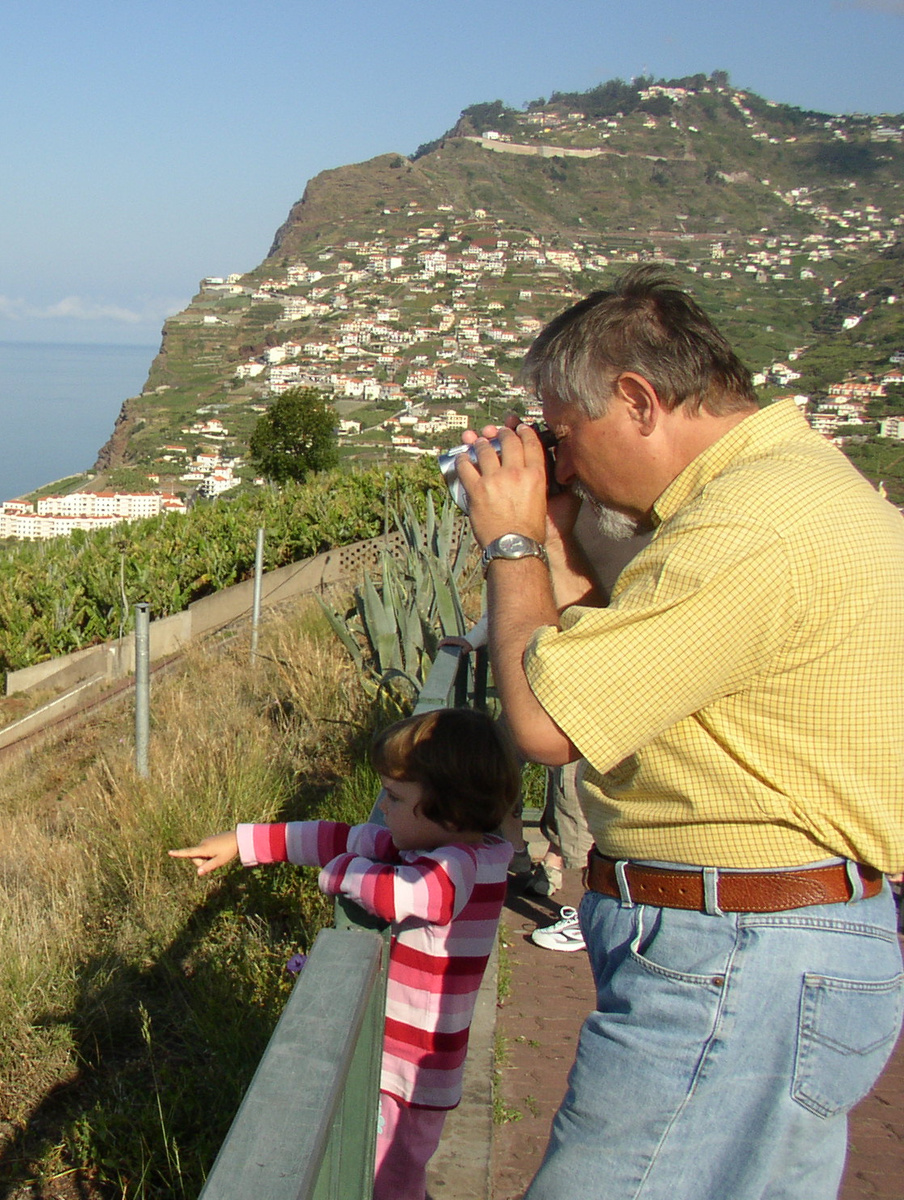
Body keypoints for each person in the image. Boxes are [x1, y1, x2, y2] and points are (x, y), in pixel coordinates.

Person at [453, 266, 904, 1199]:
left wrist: (509, 545)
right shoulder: (785, 492)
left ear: (638, 399)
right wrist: (561, 539)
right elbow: (605, 662)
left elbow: (544, 721)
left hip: (739, 951)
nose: (562, 463)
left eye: (565, 438)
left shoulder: (751, 526)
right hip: (766, 943)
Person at [170, 707, 517, 1200]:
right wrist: (244, 842)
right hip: (402, 1059)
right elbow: (339, 834)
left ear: (451, 810)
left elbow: (401, 895)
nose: (382, 806)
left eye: (394, 797)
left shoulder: (458, 865)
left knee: (386, 1184)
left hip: (409, 1073)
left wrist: (339, 874)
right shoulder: (438, 845)